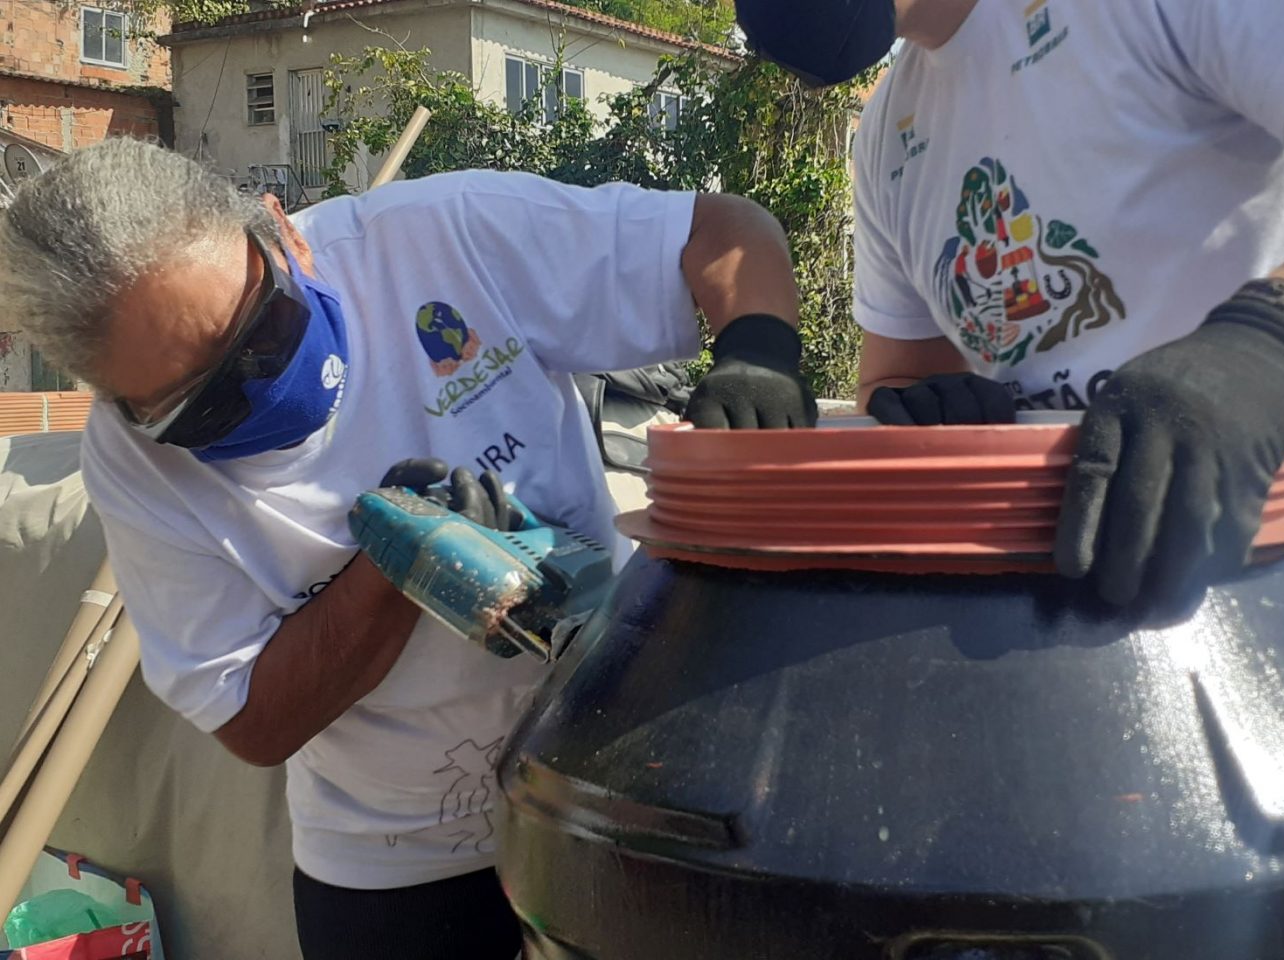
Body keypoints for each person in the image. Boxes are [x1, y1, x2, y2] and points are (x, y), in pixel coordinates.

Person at [0, 137, 815, 958]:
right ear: (119, 405)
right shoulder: (135, 466)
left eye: (269, 334)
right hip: (398, 861)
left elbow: (722, 232)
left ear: (284, 234)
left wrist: (759, 351)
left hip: (608, 795)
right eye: (204, 407)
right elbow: (251, 720)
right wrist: (395, 569)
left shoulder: (442, 237)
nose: (258, 386)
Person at [737, 0, 1284, 663]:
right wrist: (926, 412)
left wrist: (1276, 341)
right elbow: (900, 376)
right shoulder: (891, 132)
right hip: (1109, 687)